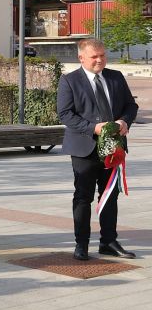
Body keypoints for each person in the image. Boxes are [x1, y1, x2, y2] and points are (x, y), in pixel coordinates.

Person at [57, 38, 138, 261]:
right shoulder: (69, 81)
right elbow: (65, 114)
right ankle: (81, 244)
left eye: (102, 55)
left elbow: (131, 106)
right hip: (85, 148)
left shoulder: (116, 77)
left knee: (110, 195)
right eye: (94, 56)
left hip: (113, 149)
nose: (100, 60)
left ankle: (109, 242)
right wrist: (94, 128)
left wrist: (124, 122)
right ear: (81, 58)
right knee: (83, 197)